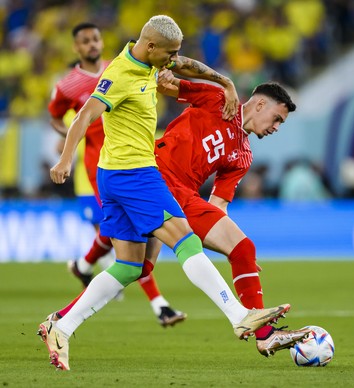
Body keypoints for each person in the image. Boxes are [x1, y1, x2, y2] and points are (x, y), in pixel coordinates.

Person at [39, 15, 290, 371]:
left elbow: (187, 65)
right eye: (169, 53)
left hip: (116, 173)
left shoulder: (150, 66)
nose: (174, 61)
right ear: (151, 46)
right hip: (136, 173)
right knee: (186, 242)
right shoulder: (120, 74)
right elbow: (82, 117)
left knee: (130, 267)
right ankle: (239, 316)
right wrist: (65, 160)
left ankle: (60, 325)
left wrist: (225, 80)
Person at [153, 73, 309, 357]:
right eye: (277, 119)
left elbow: (218, 205)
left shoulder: (243, 155)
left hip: (182, 193)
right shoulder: (220, 100)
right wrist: (164, 69)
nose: (276, 128)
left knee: (129, 268)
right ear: (259, 105)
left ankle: (61, 323)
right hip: (156, 177)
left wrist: (234, 252)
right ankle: (264, 333)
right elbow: (165, 85)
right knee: (129, 263)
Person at [48, 22, 186, 328]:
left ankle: (84, 266)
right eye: (85, 41)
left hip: (131, 160)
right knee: (132, 232)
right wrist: (67, 141)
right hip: (100, 164)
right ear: (76, 48)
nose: (92, 45)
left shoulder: (122, 67)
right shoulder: (68, 85)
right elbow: (59, 115)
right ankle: (158, 304)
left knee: (122, 234)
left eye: (96, 38)